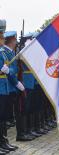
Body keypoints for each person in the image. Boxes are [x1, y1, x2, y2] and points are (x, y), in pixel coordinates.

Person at [0, 21, 19, 154]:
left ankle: (4, 141)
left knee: (3, 117)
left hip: (4, 88)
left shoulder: (1, 53)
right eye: (1, 36)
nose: (2, 39)